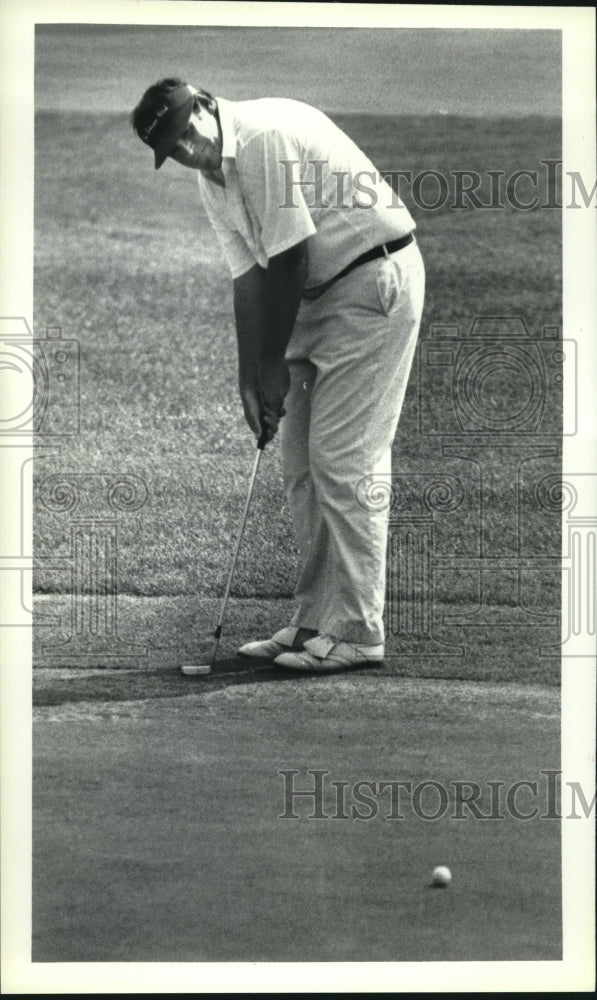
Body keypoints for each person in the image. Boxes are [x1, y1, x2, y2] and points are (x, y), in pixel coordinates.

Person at [131, 78, 425, 672]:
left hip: (371, 285)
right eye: (174, 146)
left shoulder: (262, 136)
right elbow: (248, 279)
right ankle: (315, 618)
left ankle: (360, 630)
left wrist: (273, 365)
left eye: (189, 131)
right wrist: (251, 379)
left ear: (208, 107)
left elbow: (288, 256)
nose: (189, 148)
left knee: (344, 461)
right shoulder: (211, 180)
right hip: (319, 297)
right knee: (300, 468)